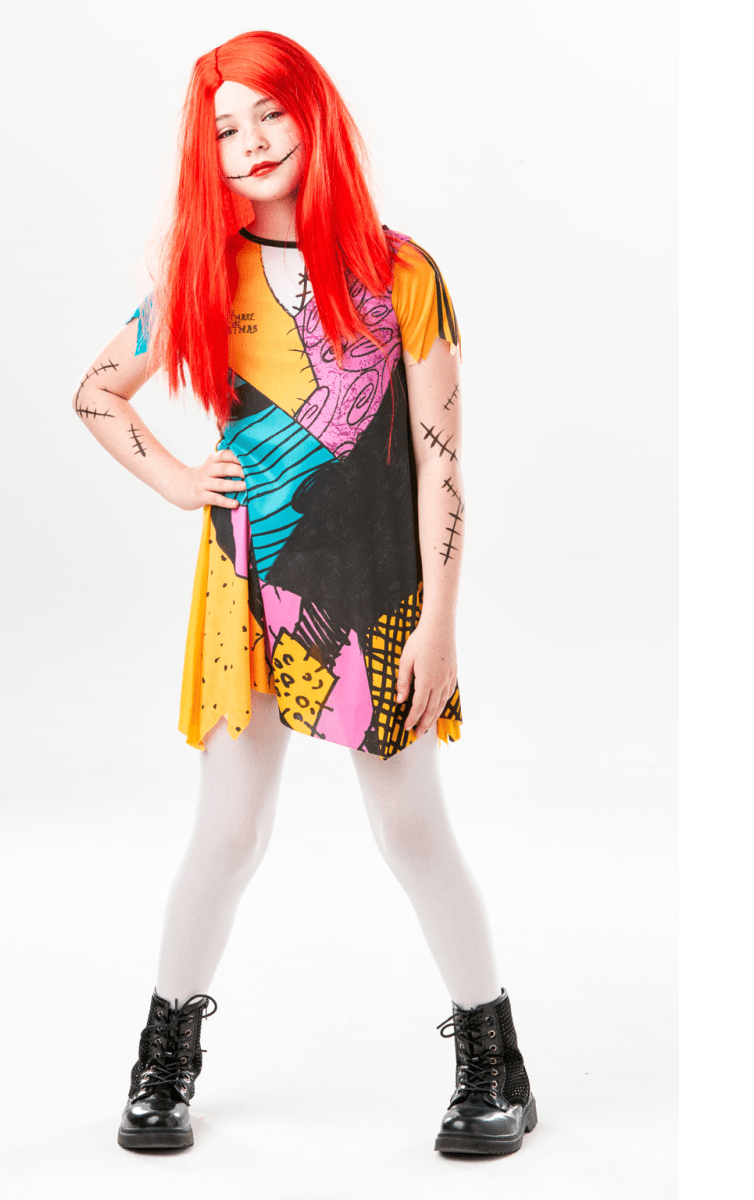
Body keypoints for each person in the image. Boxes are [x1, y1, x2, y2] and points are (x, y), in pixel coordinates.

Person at [73, 30, 537, 1157]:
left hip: (378, 587)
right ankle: (165, 1054)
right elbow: (95, 392)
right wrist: (178, 479)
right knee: (227, 832)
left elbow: (440, 468)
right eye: (224, 129)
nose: (251, 142)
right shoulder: (204, 272)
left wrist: (438, 624)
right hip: (247, 585)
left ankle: (495, 1060)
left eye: (269, 113)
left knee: (411, 825)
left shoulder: (403, 274)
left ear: (312, 112)